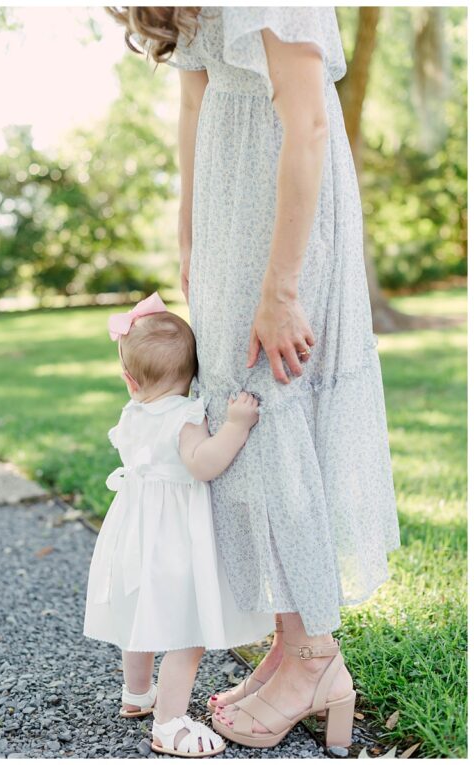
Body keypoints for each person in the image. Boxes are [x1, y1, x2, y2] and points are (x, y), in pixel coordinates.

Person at [108, 6, 399, 751]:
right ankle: (288, 639)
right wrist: (189, 234)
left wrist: (282, 287)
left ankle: (315, 658)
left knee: (272, 414)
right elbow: (196, 98)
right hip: (228, 212)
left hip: (284, 214)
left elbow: (305, 123)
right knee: (243, 411)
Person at [83, 293, 273, 758]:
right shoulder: (186, 416)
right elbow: (203, 464)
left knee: (140, 616)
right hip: (172, 537)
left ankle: (137, 693)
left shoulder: (131, 415)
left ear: (129, 380)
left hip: (133, 530)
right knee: (185, 632)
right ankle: (169, 724)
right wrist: (236, 426)